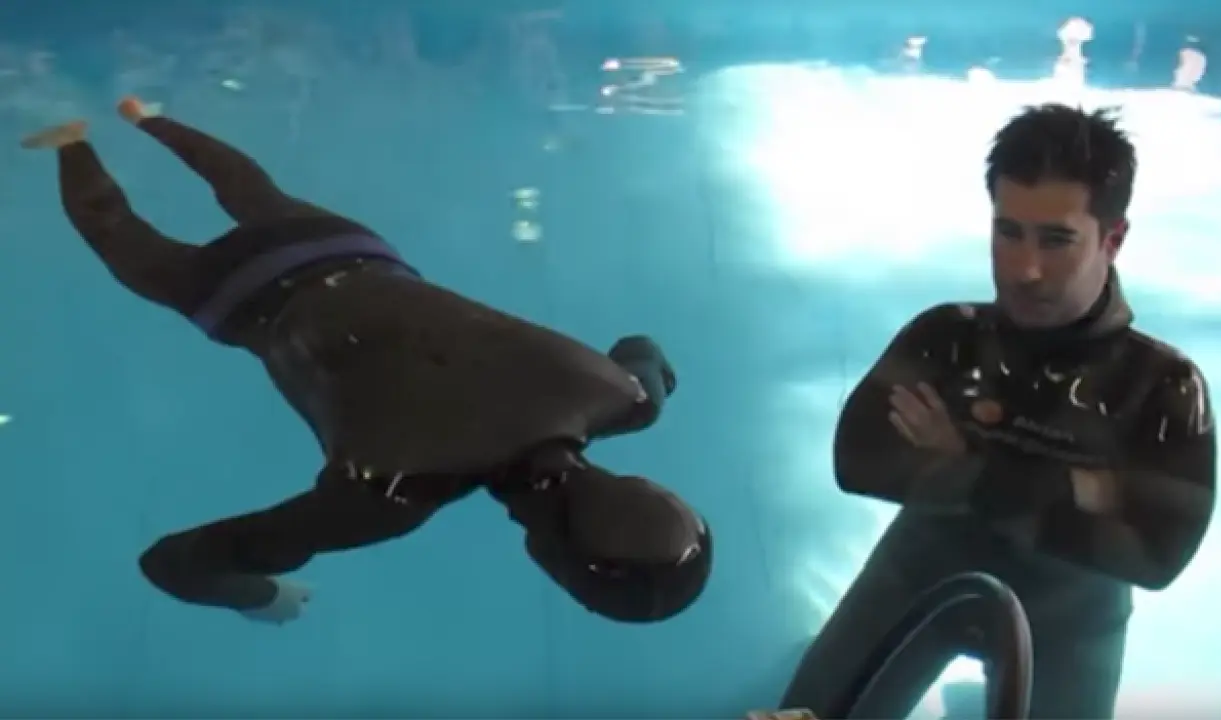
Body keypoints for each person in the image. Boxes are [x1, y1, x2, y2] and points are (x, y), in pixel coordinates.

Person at [21, 96, 711, 626]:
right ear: (548, 558)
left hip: (346, 247)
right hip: (247, 298)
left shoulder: (623, 395)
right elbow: (171, 564)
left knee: (253, 193)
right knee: (125, 242)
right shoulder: (389, 495)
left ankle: (149, 118)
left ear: (649, 483)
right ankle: (69, 141)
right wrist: (261, 597)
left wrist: (657, 377)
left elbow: (643, 347)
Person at [779, 104, 1216, 719]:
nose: (1023, 269)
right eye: (1008, 232)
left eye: (1056, 240)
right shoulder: (945, 338)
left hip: (1069, 622)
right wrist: (1079, 487)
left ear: (1112, 239)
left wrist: (964, 466)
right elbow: (858, 460)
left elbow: (1158, 553)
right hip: (919, 576)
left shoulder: (1161, 386)